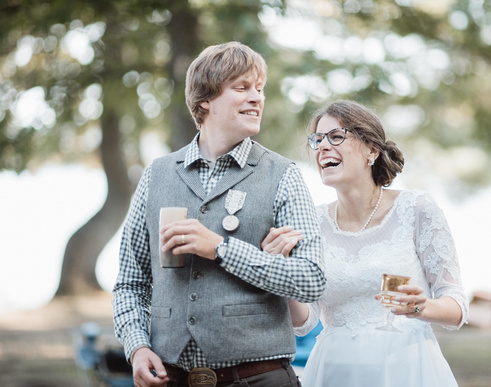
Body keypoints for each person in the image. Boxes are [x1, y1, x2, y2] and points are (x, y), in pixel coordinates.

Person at [112, 41, 326, 387]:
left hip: (260, 379)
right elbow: (130, 283)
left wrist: (220, 248)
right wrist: (136, 346)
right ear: (205, 100)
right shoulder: (157, 174)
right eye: (242, 88)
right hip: (170, 378)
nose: (257, 98)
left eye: (259, 89)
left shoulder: (284, 174)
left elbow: (312, 278)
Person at [261, 100, 469, 386]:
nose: (322, 147)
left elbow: (456, 306)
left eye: (336, 137)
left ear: (371, 149)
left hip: (405, 368)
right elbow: (304, 322)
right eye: (317, 140)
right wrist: (280, 271)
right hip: (333, 370)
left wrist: (421, 307)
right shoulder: (311, 223)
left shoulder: (417, 208)